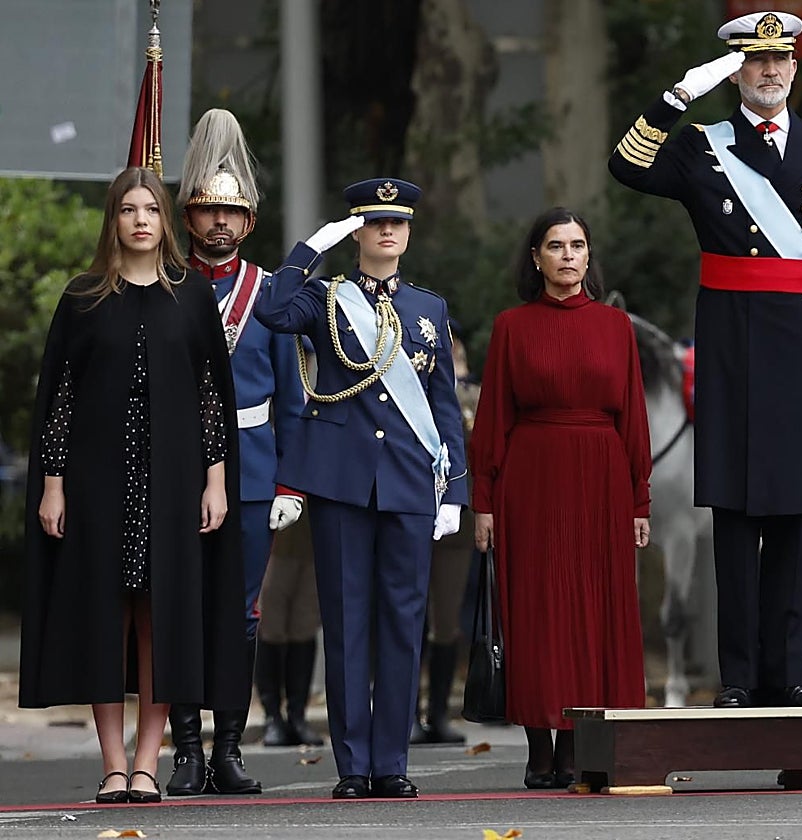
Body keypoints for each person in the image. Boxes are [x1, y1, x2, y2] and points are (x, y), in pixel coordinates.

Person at [608, 10, 802, 709]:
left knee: (797, 517)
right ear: (736, 71)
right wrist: (678, 96)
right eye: (754, 62)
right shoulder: (703, 146)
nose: (769, 71)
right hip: (731, 349)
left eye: (780, 60)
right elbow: (625, 165)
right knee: (734, 518)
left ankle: (789, 673)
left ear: (795, 68)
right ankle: (736, 677)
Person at [20, 166, 244, 804]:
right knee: (103, 618)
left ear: (165, 221)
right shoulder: (84, 296)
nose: (141, 219)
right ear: (113, 220)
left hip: (174, 485)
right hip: (96, 485)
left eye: (151, 208)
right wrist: (53, 484)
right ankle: (113, 764)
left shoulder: (192, 296)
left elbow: (210, 399)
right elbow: (59, 400)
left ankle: (149, 763)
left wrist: (216, 480)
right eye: (128, 209)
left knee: (162, 620)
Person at [254, 178, 467, 800]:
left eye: (396, 223)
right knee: (346, 623)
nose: (386, 232)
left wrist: (453, 490)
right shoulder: (323, 298)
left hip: (406, 479)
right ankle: (352, 765)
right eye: (373, 223)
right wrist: (308, 250)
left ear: (408, 232)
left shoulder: (429, 308)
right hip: (342, 480)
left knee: (404, 623)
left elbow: (443, 405)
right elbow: (271, 310)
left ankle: (392, 761)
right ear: (356, 231)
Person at [470, 207, 652, 789]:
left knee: (594, 608)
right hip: (531, 480)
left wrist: (638, 500)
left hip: (601, 479)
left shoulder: (616, 327)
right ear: (536, 257)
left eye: (577, 245)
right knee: (536, 610)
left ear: (589, 256)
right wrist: (485, 502)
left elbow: (636, 422)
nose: (568, 255)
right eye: (556, 245)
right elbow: (493, 419)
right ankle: (539, 744)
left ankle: (580, 741)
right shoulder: (511, 327)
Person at [164, 107, 307, 796]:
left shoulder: (272, 295)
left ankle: (228, 748)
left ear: (249, 223)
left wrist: (290, 484)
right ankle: (185, 749)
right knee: (180, 608)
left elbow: (293, 399)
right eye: (207, 211)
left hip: (252, 468)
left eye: (232, 213)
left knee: (241, 612)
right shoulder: (164, 286)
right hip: (175, 469)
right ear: (189, 217)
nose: (219, 224)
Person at [412, 335, 480, 745]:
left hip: (457, 525)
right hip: (414, 512)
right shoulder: (410, 392)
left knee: (446, 620)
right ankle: (405, 714)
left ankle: (437, 712)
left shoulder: (473, 395)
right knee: (407, 616)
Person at [255, 505, 324, 748]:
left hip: (313, 542)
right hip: (274, 540)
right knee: (270, 626)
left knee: (304, 626)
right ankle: (272, 715)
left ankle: (298, 716)